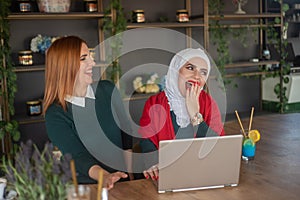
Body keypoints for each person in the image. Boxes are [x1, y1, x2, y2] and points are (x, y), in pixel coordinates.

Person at [43, 36, 133, 189]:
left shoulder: (107, 89)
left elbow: (126, 135)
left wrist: (131, 177)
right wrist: (105, 177)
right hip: (87, 189)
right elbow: (77, 156)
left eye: (90, 56)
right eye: (84, 58)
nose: (93, 63)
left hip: (122, 181)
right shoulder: (56, 114)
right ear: (65, 66)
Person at [138, 48, 225, 180]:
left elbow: (218, 149)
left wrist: (195, 114)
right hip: (167, 178)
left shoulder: (208, 103)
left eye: (203, 72)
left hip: (203, 176)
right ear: (175, 71)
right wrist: (153, 164)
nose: (197, 76)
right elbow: (147, 141)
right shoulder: (154, 103)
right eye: (190, 68)